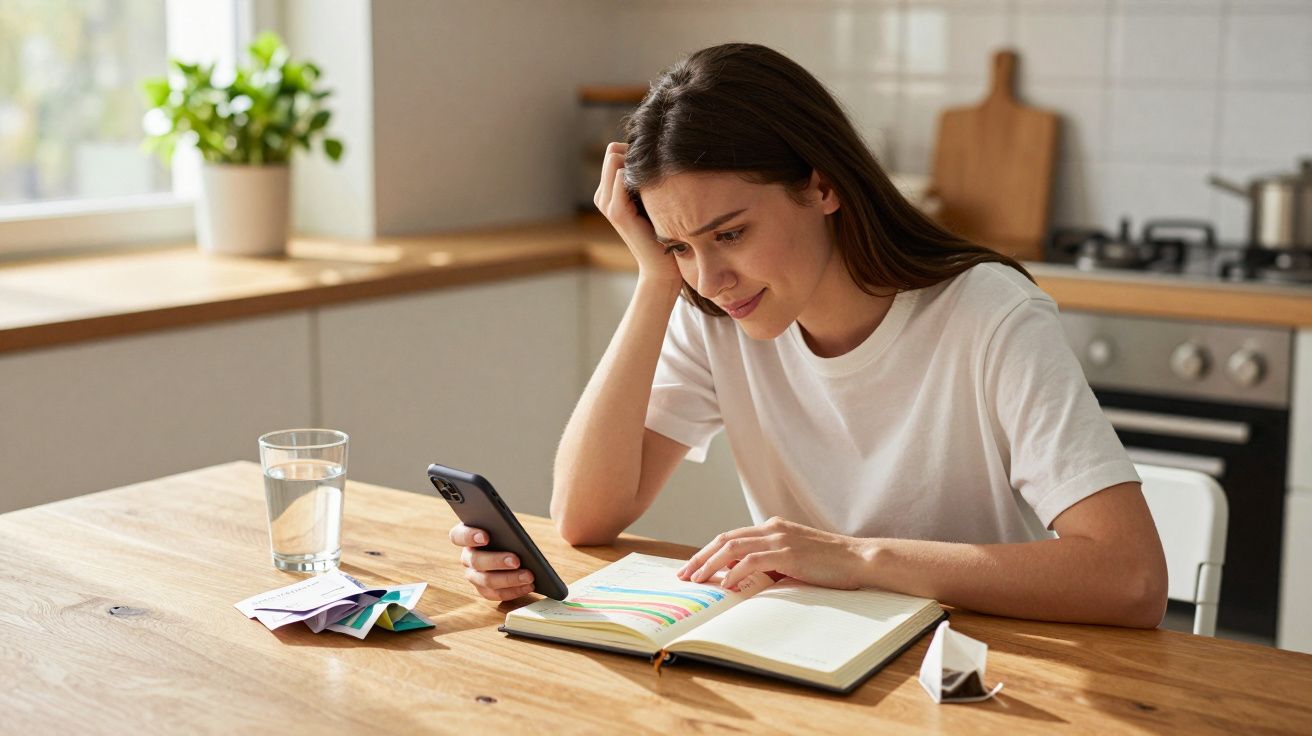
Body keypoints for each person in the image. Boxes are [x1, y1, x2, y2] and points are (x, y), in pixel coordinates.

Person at [449, 42, 1167, 628]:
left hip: (976, 669)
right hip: (810, 655)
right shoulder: (716, 313)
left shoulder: (988, 314)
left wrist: (855, 558)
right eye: (680, 247)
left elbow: (1130, 577)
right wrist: (655, 282)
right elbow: (584, 514)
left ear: (822, 187)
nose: (713, 278)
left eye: (730, 233)